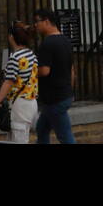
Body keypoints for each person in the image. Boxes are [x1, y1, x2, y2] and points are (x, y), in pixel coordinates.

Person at [0, 23, 39, 144]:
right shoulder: (32, 55)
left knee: (20, 140)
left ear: (11, 37)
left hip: (20, 105)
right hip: (31, 102)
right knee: (14, 139)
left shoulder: (15, 57)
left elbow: (8, 83)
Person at [31, 8, 76, 144]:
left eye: (37, 21)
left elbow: (44, 71)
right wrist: (69, 89)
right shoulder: (65, 40)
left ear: (46, 21)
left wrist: (28, 72)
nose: (35, 25)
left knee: (65, 136)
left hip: (54, 99)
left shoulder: (47, 43)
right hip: (63, 95)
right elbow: (72, 69)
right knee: (42, 129)